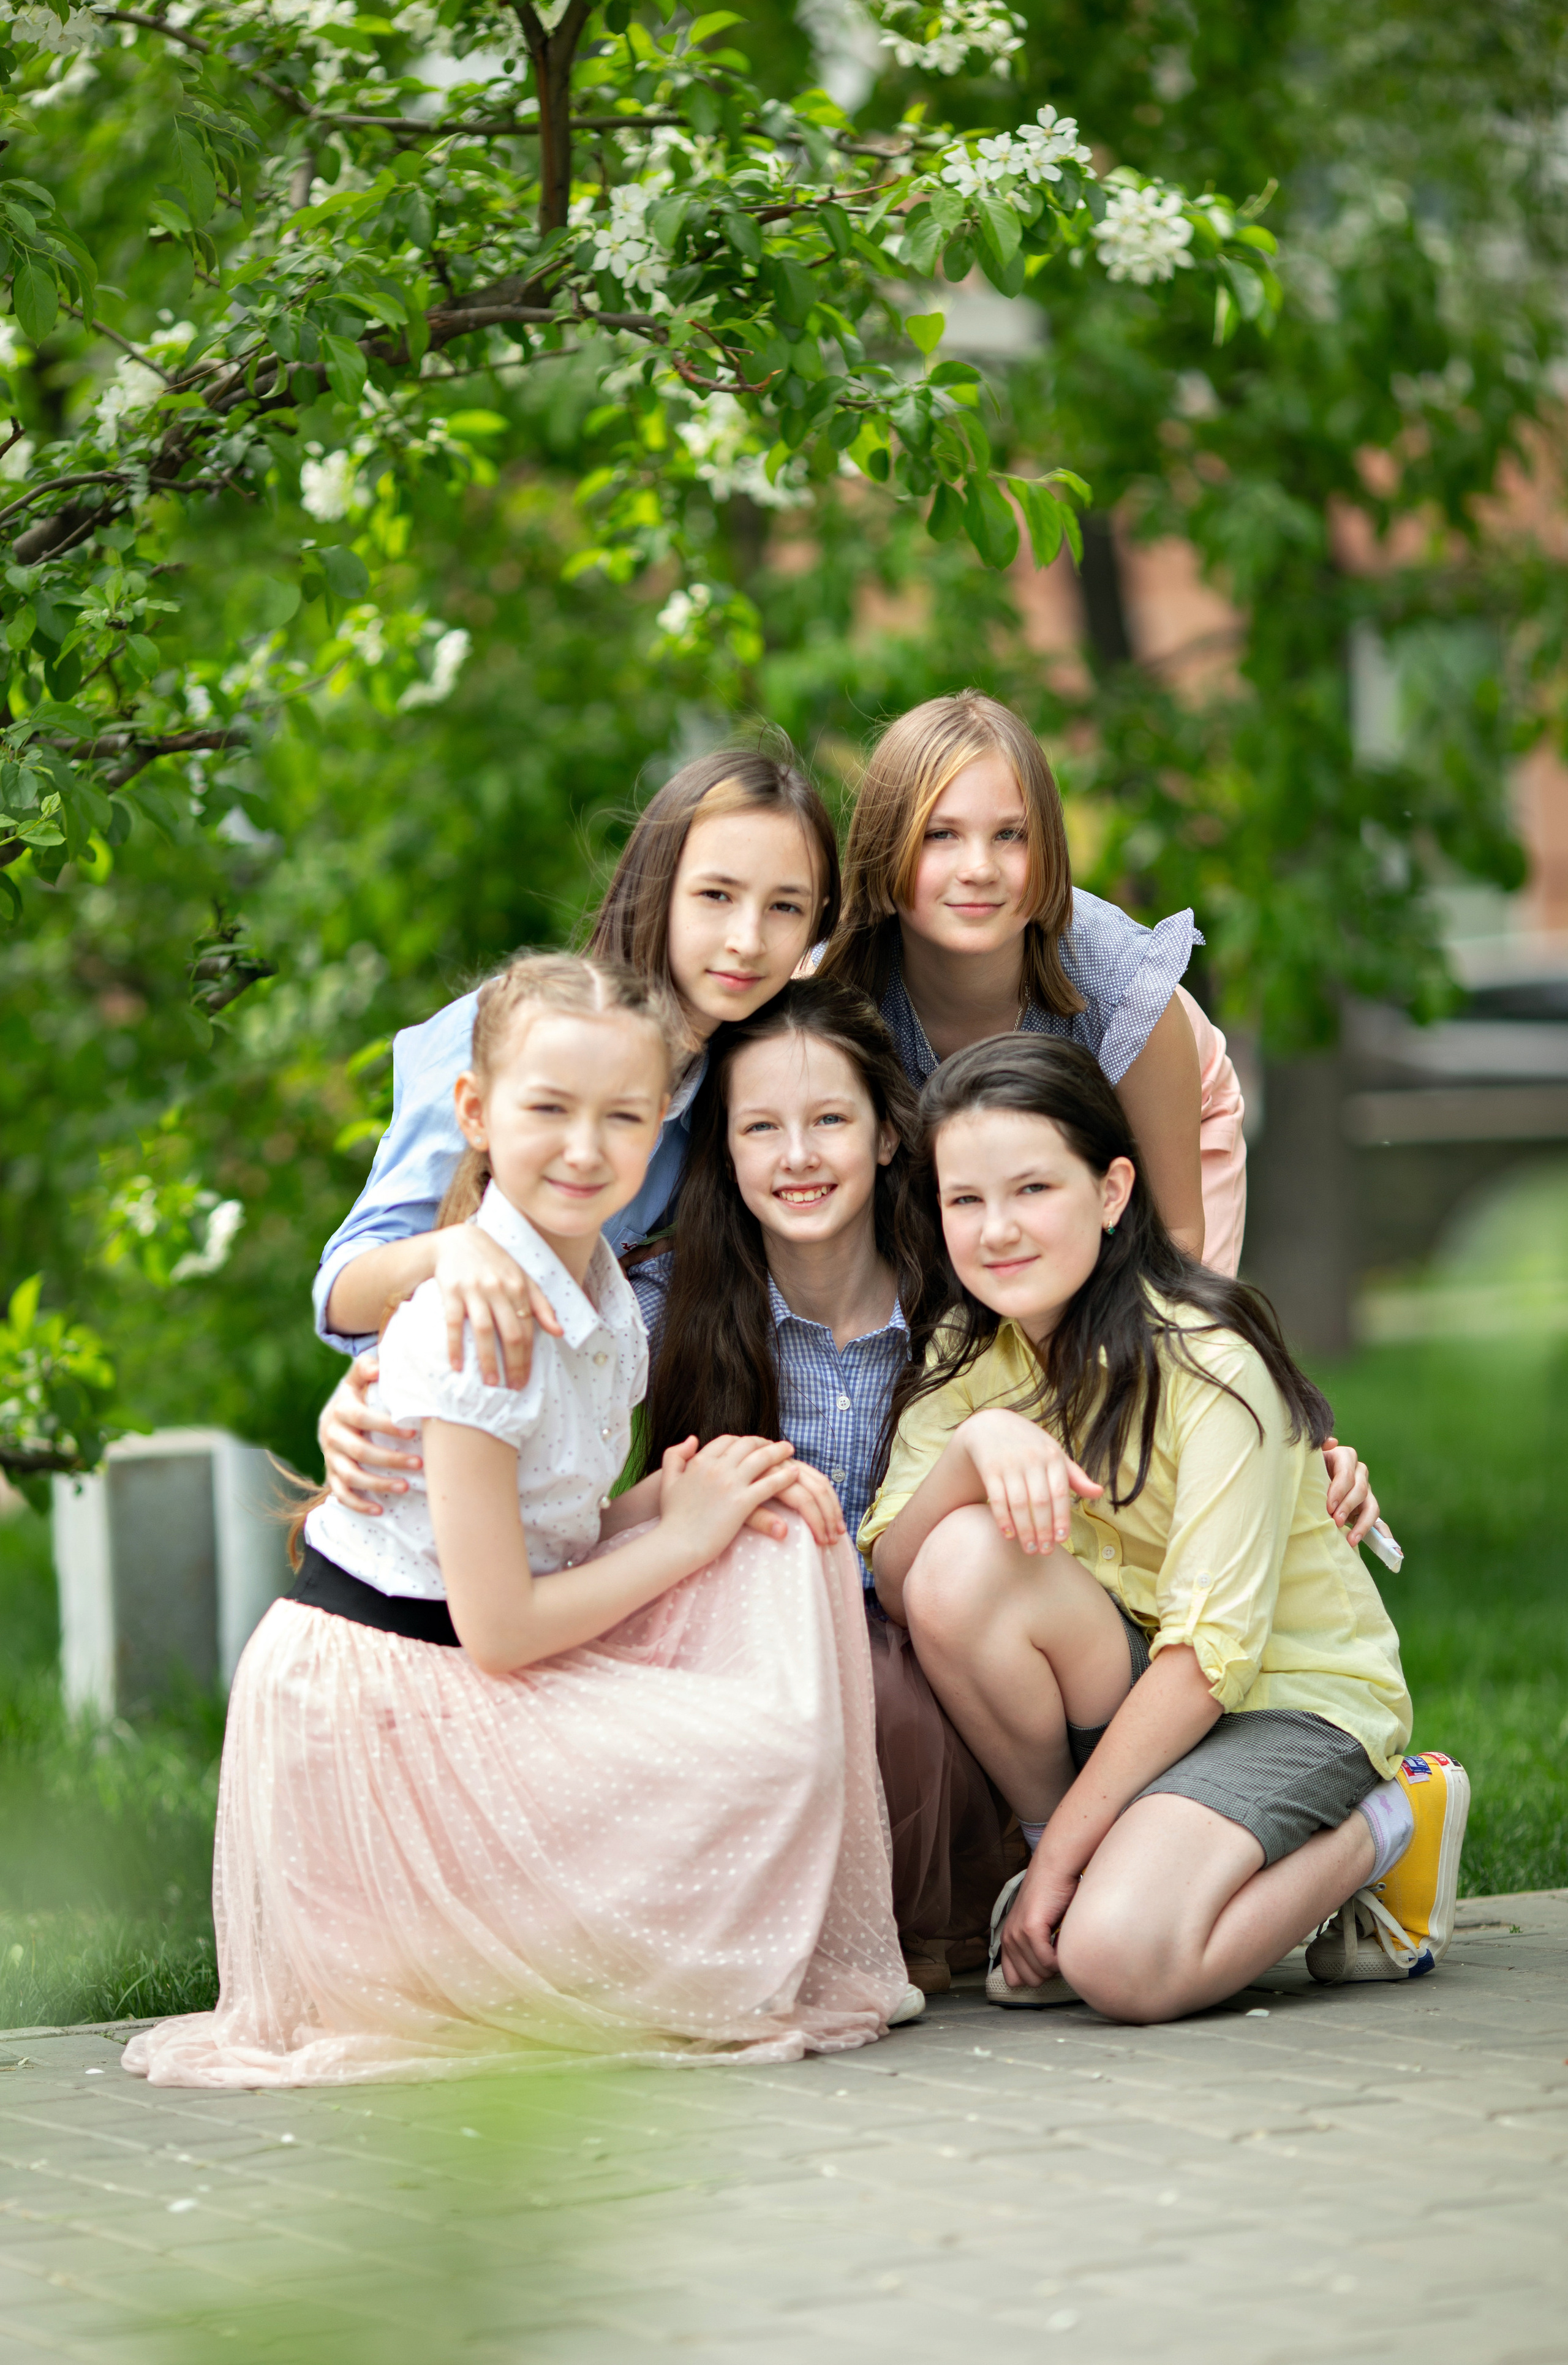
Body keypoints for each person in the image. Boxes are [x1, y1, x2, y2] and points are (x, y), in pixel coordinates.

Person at [123, 954, 913, 2088]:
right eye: (550, 1110)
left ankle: (682, 1941)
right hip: (385, 1701)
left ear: (659, 1138)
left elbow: (562, 1527)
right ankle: (642, 1960)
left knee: (780, 1545)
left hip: (467, 1664)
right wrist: (680, 1537)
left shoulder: (599, 1294)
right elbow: (501, 1624)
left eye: (622, 1118)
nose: (586, 1148)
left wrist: (704, 1497)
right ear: (478, 1115)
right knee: (762, 1752)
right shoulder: (470, 1321)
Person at [859, 1034, 1469, 2024]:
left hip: (1284, 1694)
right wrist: (975, 1449)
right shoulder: (971, 1360)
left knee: (1122, 1964)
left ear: (1111, 1192)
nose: (997, 1229)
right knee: (956, 1562)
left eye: (1033, 1190)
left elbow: (1209, 1660)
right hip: (1140, 1682)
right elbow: (899, 1577)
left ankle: (1394, 1816)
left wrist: (1057, 1871)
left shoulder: (1211, 1364)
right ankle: (1081, 1849)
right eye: (964, 1200)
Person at [315, 739, 841, 1516]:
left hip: (560, 1495)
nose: (747, 940)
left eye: (785, 908)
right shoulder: (518, 1038)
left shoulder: (744, 1087)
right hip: (433, 1482)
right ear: (656, 889)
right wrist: (457, 1254)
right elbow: (343, 1293)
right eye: (716, 896)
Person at [628, 978, 1016, 1985]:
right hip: (745, 1633)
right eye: (762, 1127)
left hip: (934, 1639)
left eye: (829, 1120)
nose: (797, 1157)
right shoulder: (668, 1299)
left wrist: (1300, 1449)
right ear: (726, 1147)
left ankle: (936, 1916)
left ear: (888, 1135)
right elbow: (536, 1417)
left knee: (892, 1688)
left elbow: (1134, 1365)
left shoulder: (964, 1292)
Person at [814, 688, 1245, 1272]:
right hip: (988, 1171)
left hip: (1163, 1101)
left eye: (1010, 835)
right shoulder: (827, 986)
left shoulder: (1123, 991)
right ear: (886, 846)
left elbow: (1177, 1232)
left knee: (1178, 1325)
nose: (979, 869)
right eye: (941, 835)